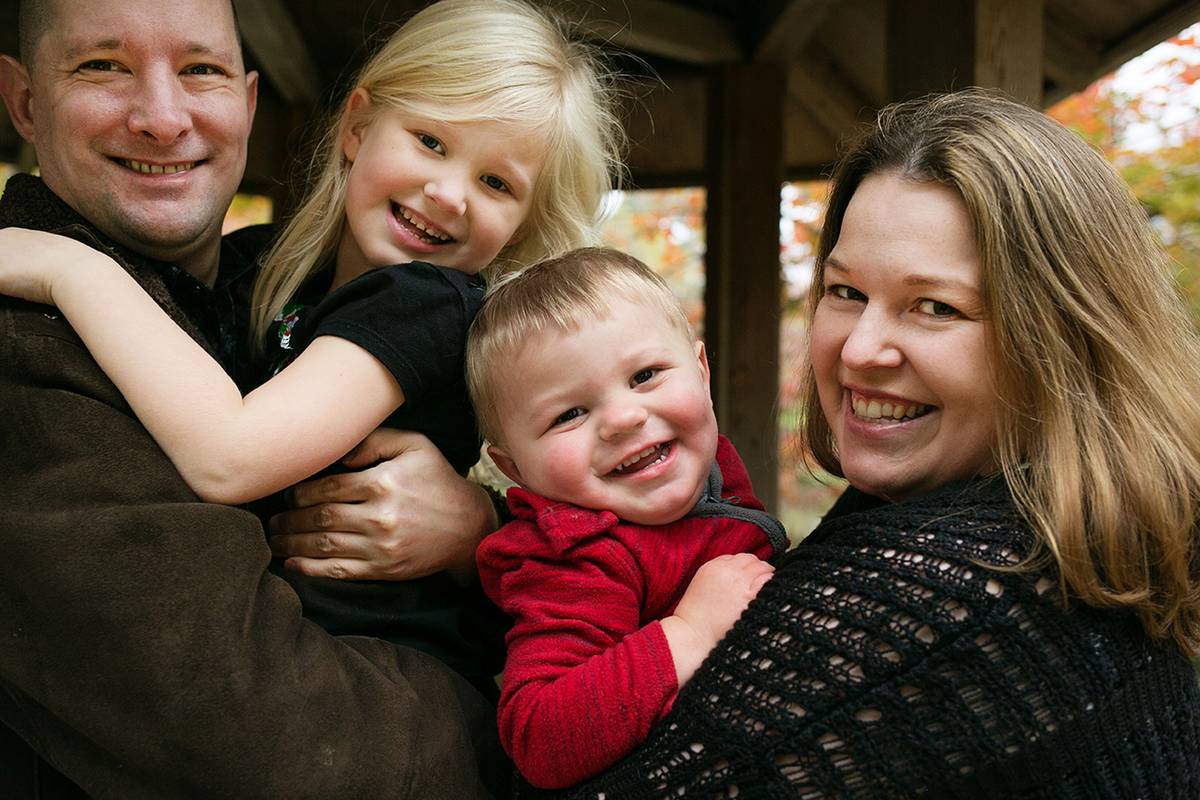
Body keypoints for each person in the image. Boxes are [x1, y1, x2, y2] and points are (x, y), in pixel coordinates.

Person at [0, 0, 610, 794]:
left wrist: (66, 271)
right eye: (430, 141)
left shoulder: (423, 300)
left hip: (394, 665)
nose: (449, 192)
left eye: (496, 182)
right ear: (357, 127)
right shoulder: (267, 278)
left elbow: (229, 457)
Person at [542, 90, 1200, 799]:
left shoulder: (947, 594)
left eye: (934, 307)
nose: (858, 350)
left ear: (1063, 337)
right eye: (845, 291)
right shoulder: (1101, 544)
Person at [465, 248, 787, 788]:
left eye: (645, 375)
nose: (622, 418)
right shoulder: (576, 557)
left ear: (701, 372)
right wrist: (688, 633)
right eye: (569, 414)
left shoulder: (707, 467)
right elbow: (539, 735)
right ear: (514, 467)